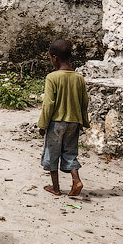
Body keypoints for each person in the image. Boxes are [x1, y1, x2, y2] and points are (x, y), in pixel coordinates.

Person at [38, 39, 89, 197]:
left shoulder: (52, 77)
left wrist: (43, 125)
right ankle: (76, 180)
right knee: (70, 152)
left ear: (54, 58)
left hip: (56, 123)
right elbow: (84, 102)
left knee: (52, 153)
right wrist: (83, 122)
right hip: (73, 122)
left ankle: (56, 187)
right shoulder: (78, 78)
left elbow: (48, 104)